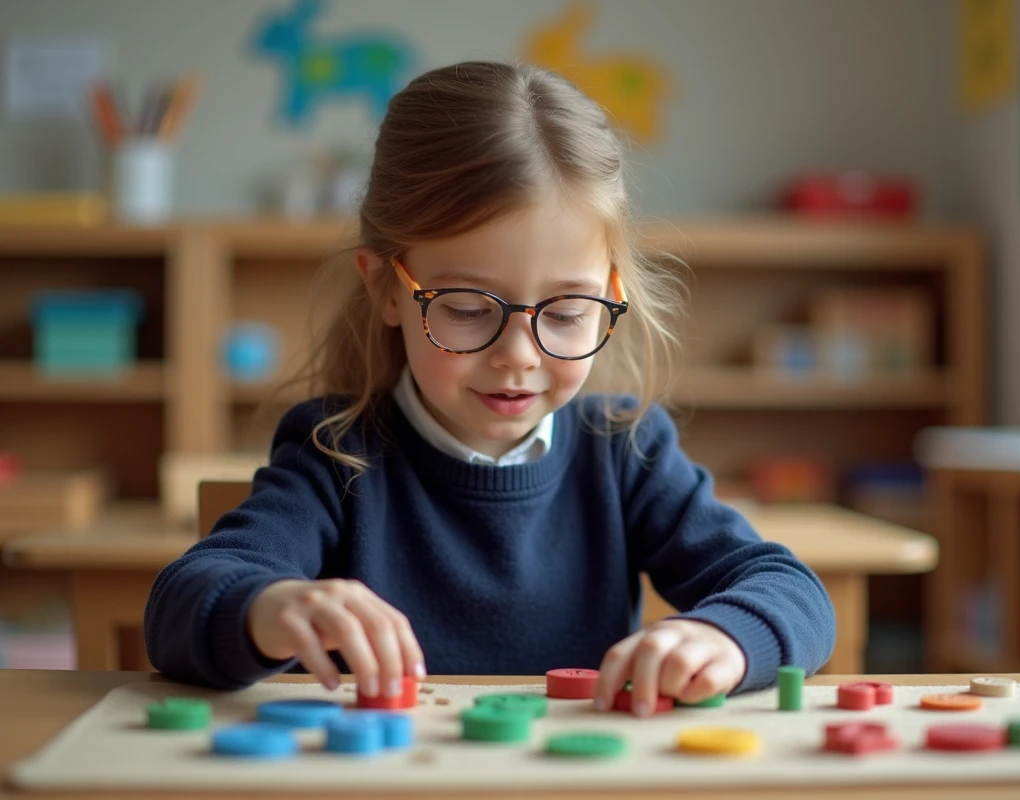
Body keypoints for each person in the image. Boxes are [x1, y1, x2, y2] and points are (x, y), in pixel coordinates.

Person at [144, 60, 835, 717]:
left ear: (611, 296)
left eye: (566, 314)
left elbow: (794, 593)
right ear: (386, 286)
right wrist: (271, 607)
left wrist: (723, 639)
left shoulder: (626, 451)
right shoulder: (334, 451)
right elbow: (181, 604)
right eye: (469, 309)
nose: (518, 357)